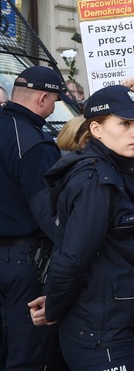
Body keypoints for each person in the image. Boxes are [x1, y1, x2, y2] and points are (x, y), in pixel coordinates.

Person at [28, 85, 134, 371]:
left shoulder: (112, 172)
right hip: (100, 330)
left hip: (106, 323)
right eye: (125, 123)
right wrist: (54, 306)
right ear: (97, 130)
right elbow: (73, 257)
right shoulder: (97, 181)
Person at [1, 66, 66, 371]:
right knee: (29, 356)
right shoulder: (33, 144)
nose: (54, 108)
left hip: (15, 258)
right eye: (54, 100)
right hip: (25, 263)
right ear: (42, 98)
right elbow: (50, 214)